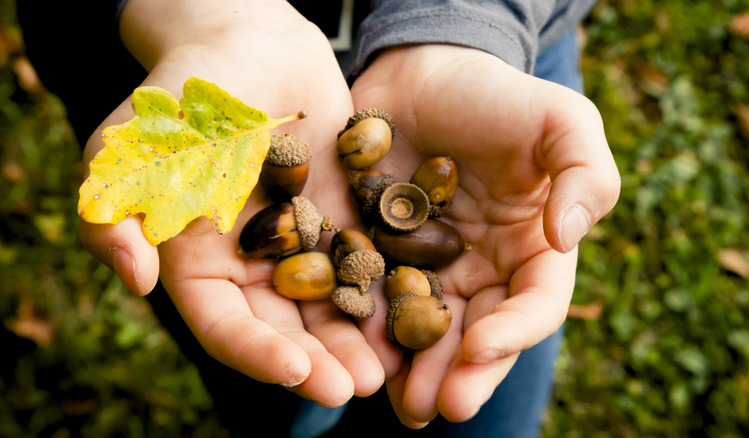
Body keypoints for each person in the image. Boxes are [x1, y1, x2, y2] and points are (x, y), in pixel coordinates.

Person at [18, 1, 620, 436]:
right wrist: (207, 14)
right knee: (277, 389)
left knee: (484, 402)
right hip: (154, 48)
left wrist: (463, 24)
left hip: (498, 46)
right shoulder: (331, 231)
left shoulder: (395, 228)